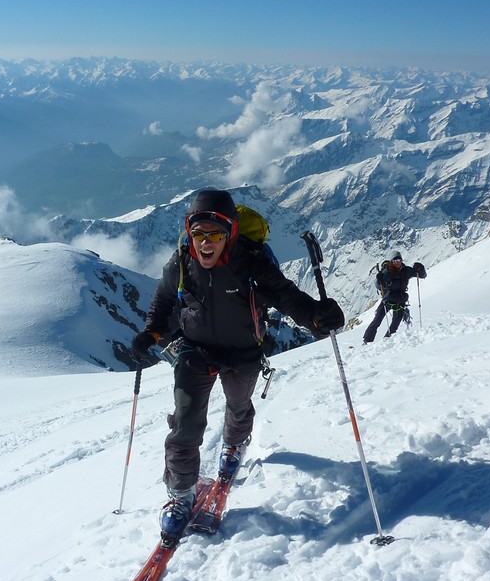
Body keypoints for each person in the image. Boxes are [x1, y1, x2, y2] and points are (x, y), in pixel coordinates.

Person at [131, 189, 345, 541]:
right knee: (185, 424)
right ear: (189, 233)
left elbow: (287, 296)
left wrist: (317, 318)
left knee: (239, 406)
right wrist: (151, 334)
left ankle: (233, 445)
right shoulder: (182, 262)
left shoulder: (251, 263)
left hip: (243, 350)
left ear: (230, 231)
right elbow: (165, 303)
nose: (205, 243)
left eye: (215, 234)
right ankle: (181, 496)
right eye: (198, 234)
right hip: (194, 349)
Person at [362, 250, 427, 344]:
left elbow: (422, 275)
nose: (398, 263)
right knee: (377, 321)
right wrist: (379, 280)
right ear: (391, 262)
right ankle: (366, 341)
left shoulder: (406, 271)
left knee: (395, 324)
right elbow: (378, 285)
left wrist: (421, 269)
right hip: (388, 300)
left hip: (399, 301)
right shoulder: (387, 272)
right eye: (395, 261)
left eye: (399, 260)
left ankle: (387, 341)